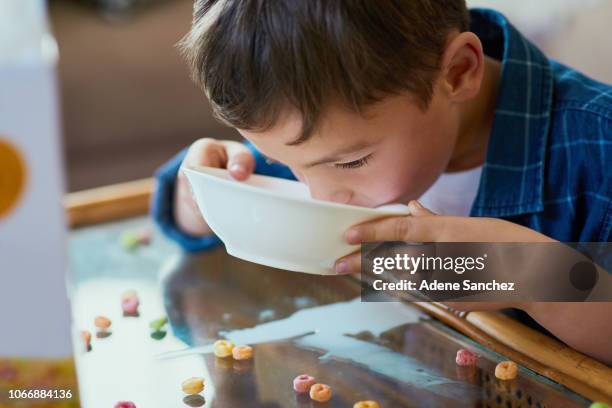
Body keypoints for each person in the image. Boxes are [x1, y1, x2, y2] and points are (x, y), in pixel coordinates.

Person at [152, 0, 612, 364]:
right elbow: (187, 194)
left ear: (457, 73)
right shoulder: (330, 136)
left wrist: (532, 277)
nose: (320, 193)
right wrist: (202, 198)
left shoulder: (598, 152)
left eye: (352, 163)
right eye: (280, 160)